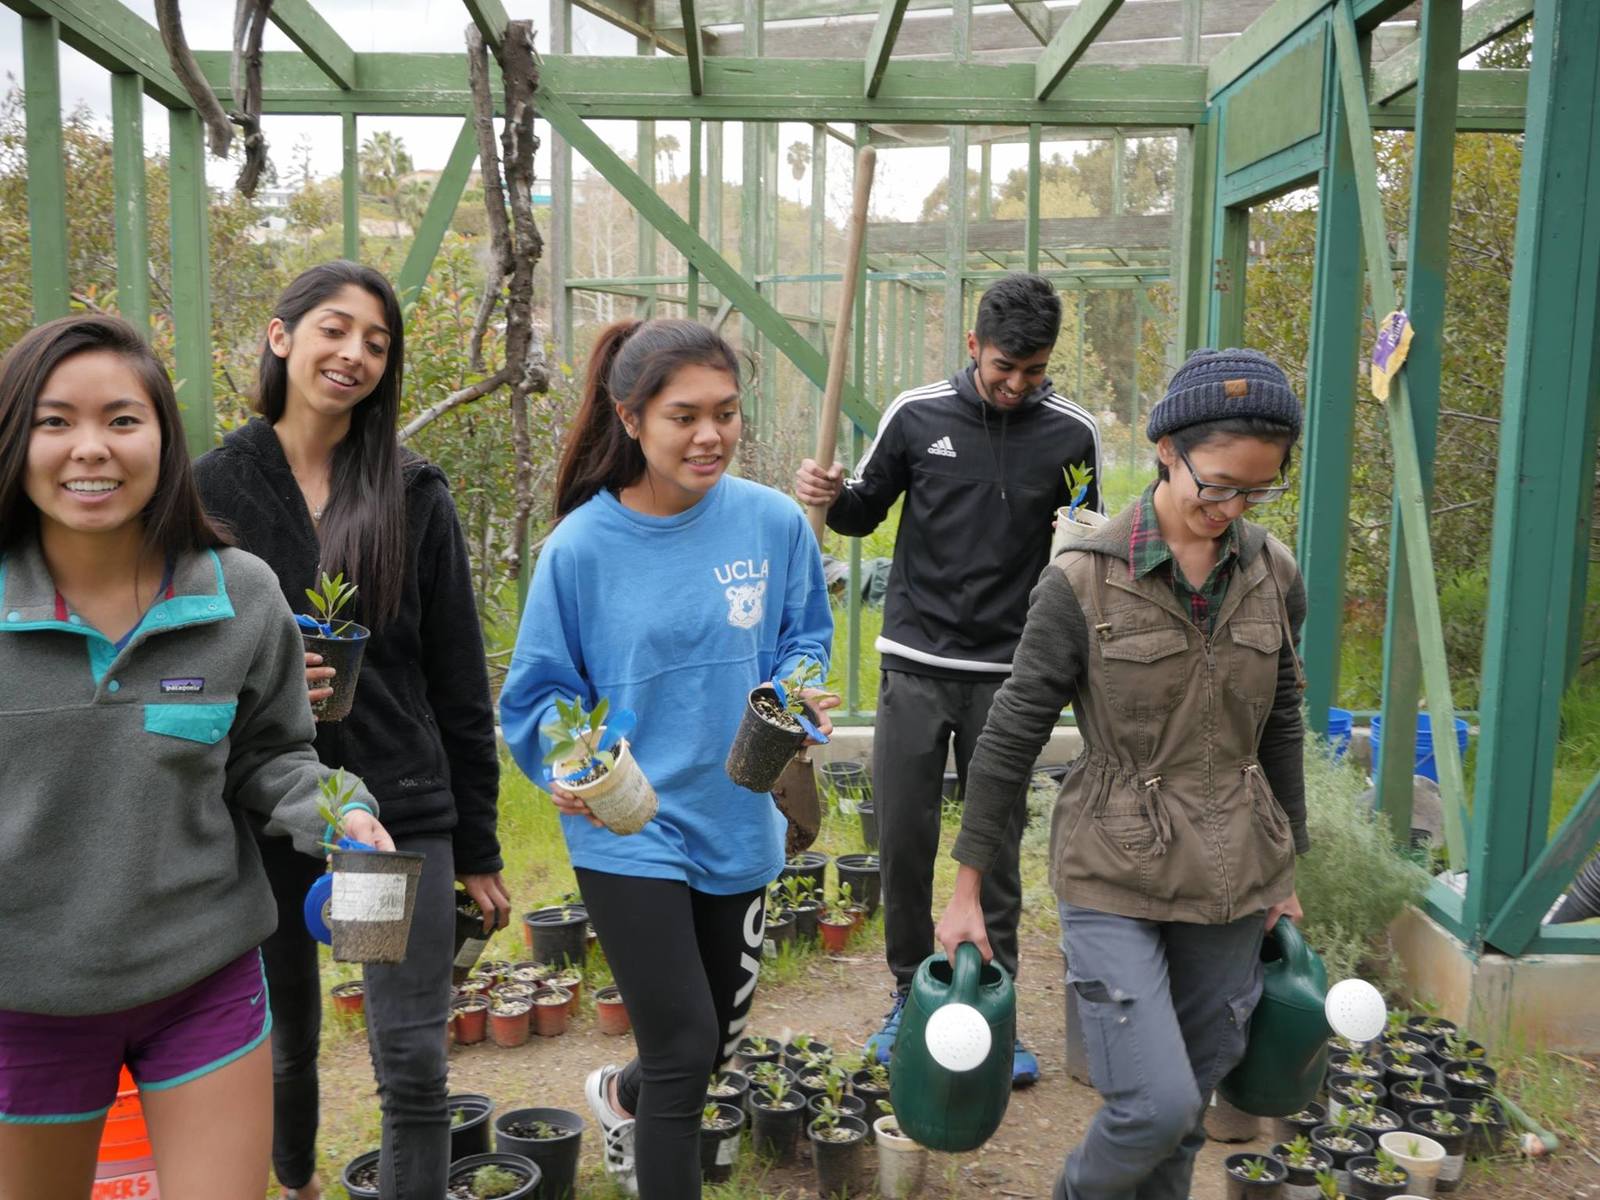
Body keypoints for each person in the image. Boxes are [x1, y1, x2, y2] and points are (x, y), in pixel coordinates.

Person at [0, 314, 392, 1200]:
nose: (89, 448)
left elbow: (271, 754)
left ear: (165, 440)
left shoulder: (238, 594)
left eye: (122, 420)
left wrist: (340, 809)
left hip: (201, 979)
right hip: (24, 998)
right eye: (54, 421)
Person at [936, 348, 1310, 1200]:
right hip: (1114, 863)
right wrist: (965, 889)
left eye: (1258, 490)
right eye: (1216, 484)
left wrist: (1287, 869)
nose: (1233, 508)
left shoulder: (1273, 574)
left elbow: (1281, 724)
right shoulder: (1082, 581)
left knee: (1187, 1117)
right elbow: (1009, 738)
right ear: (1167, 451)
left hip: (1235, 871)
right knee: (1155, 1102)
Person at [193, 261, 508, 1200]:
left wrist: (480, 843)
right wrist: (268, 675)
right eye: (336, 329)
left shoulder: (411, 490)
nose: (355, 354)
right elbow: (179, 656)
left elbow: (458, 679)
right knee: (284, 1048)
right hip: (266, 816)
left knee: (410, 1062)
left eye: (377, 342)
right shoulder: (212, 488)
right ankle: (295, 1184)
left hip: (392, 816)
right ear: (282, 337)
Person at [500, 318, 835, 1197]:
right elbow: (536, 697)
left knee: (711, 1043)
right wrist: (566, 766)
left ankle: (621, 1094)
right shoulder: (579, 549)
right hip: (631, 821)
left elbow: (806, 638)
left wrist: (799, 692)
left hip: (739, 807)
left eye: (726, 413)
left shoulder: (771, 523)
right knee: (685, 1053)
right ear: (631, 418)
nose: (711, 435)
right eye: (684, 416)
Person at [794, 272, 1101, 1083]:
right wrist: (831, 495)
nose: (1016, 385)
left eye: (1034, 372)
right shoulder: (916, 415)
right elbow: (862, 512)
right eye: (1005, 366)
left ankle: (992, 1005)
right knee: (903, 835)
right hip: (917, 663)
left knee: (993, 847)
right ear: (974, 346)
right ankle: (909, 994)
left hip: (1011, 672)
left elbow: (1085, 545)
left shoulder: (1071, 434)